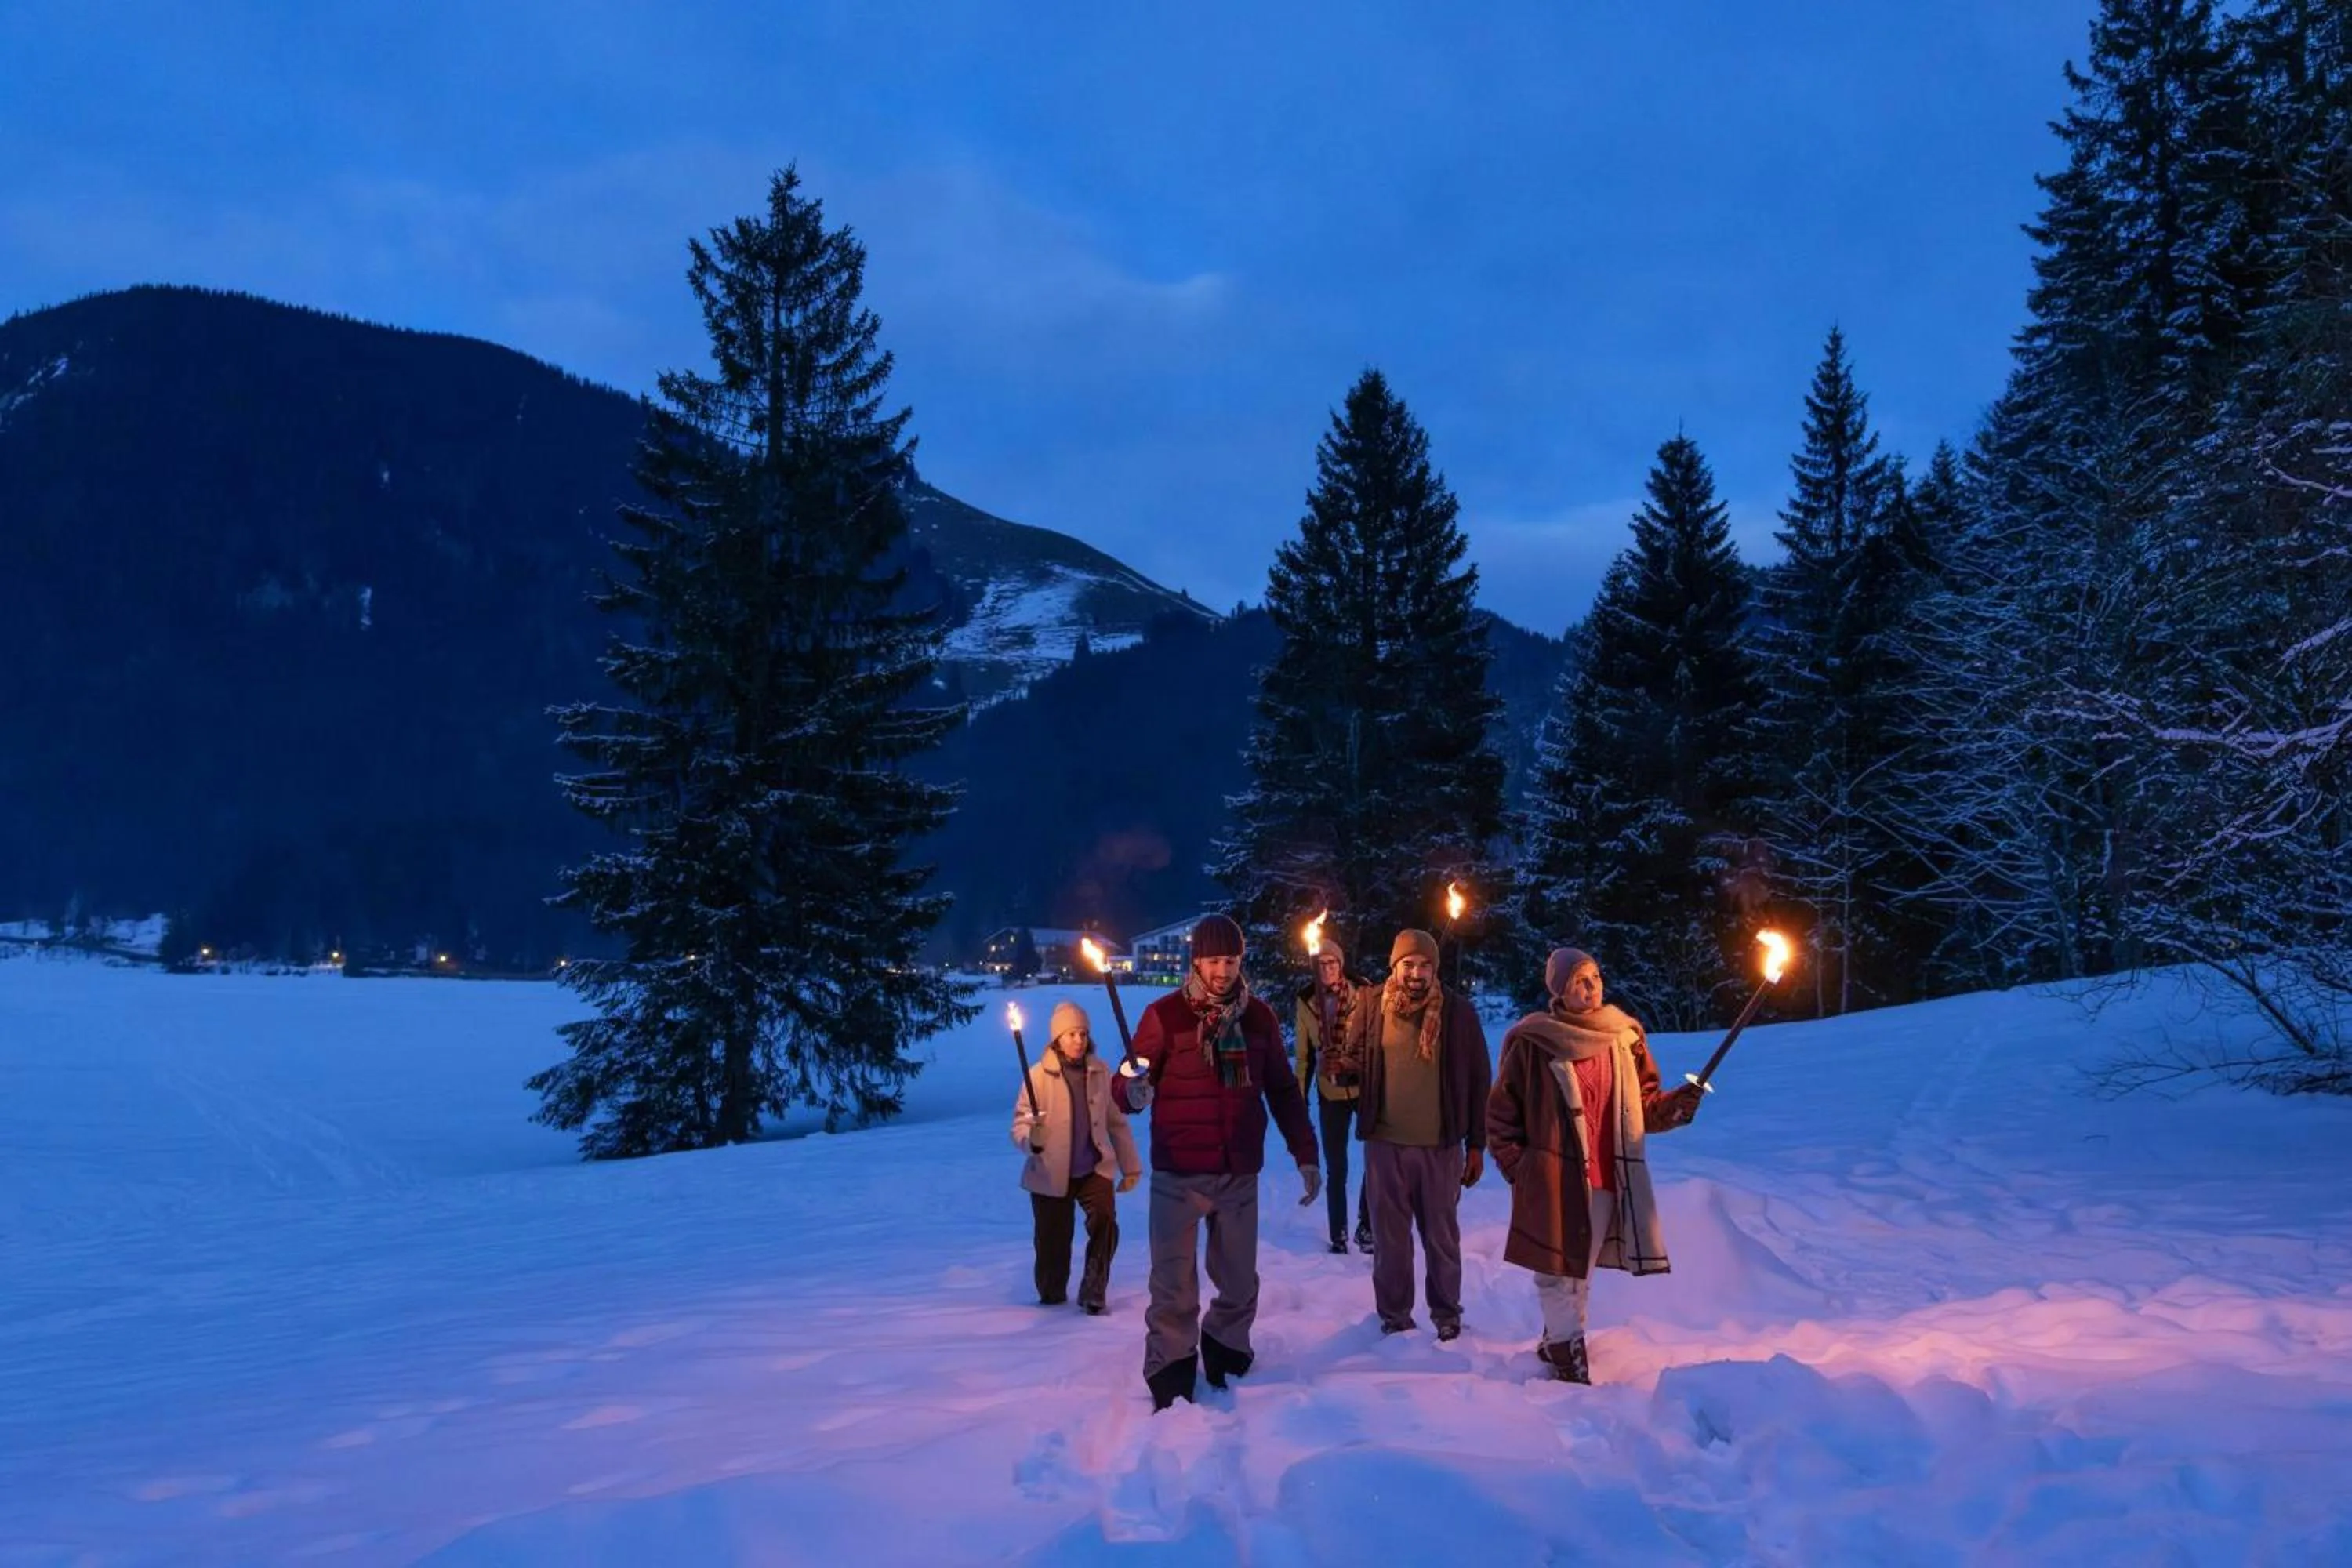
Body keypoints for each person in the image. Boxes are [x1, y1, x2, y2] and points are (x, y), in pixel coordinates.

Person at [1114, 913, 1321, 1410]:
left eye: (1231, 960)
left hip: (1237, 1170)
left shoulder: (1259, 1018)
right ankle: (1171, 1364)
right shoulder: (1164, 1016)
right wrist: (1132, 1090)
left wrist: (1306, 1154)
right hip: (1178, 1174)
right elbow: (1126, 1079)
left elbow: (1283, 1090)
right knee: (1173, 1284)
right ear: (1196, 962)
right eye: (1213, 961)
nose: (1223, 971)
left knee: (1240, 1279)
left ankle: (1226, 1345)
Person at [1485, 946, 1704, 1383]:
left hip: (1605, 1176)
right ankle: (1569, 1357)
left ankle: (1558, 1339)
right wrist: (1520, 1169)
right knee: (1556, 1273)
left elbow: (1643, 1106)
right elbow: (1501, 1115)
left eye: (1596, 977)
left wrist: (1675, 1107)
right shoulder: (1534, 1041)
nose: (1592, 987)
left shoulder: (1624, 1037)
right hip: (1551, 1178)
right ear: (1560, 990)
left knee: (1579, 1271)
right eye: (1580, 981)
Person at [1351, 928, 1490, 1339]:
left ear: (1435, 969)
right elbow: (1356, 1063)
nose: (1416, 973)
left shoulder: (1458, 1013)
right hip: (1385, 1146)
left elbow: (1480, 1080)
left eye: (1425, 965)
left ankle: (1447, 1315)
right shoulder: (1371, 1005)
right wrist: (1338, 1067)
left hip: (1440, 1147)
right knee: (1390, 1241)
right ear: (1394, 966)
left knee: (1441, 1238)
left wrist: (1476, 1145)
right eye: (1408, 964)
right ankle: (1395, 1318)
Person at [1013, 1000, 1143, 1314]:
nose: (1078, 1040)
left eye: (1083, 1033)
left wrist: (1131, 1167)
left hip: (1093, 1169)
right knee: (1052, 1241)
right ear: (1057, 1039)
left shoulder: (1100, 1072)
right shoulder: (1037, 1076)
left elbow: (1115, 1122)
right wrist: (1032, 1139)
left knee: (1105, 1222)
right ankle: (1052, 1294)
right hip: (1049, 1173)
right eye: (1071, 1034)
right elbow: (1020, 1124)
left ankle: (1094, 1287)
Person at [1293, 936, 1373, 1254]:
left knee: (1376, 1159)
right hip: (1330, 1093)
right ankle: (1338, 1233)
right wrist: (1299, 1099)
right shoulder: (1306, 1002)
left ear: (1341, 965)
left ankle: (1367, 1224)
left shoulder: (1363, 993)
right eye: (1321, 963)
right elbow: (1303, 1057)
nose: (1326, 969)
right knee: (1336, 1166)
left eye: (1332, 963)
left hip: (1364, 1088)